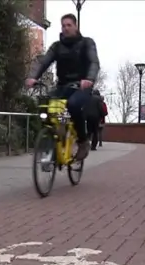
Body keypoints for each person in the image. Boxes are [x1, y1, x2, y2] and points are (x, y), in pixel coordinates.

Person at [25, 13, 101, 161]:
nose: (65, 28)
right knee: (46, 105)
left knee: (73, 105)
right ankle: (52, 140)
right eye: (63, 26)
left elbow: (94, 62)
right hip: (63, 86)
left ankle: (83, 141)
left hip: (81, 86)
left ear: (76, 26)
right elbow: (44, 62)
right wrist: (33, 77)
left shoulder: (87, 43)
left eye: (69, 25)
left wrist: (89, 79)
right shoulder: (57, 46)